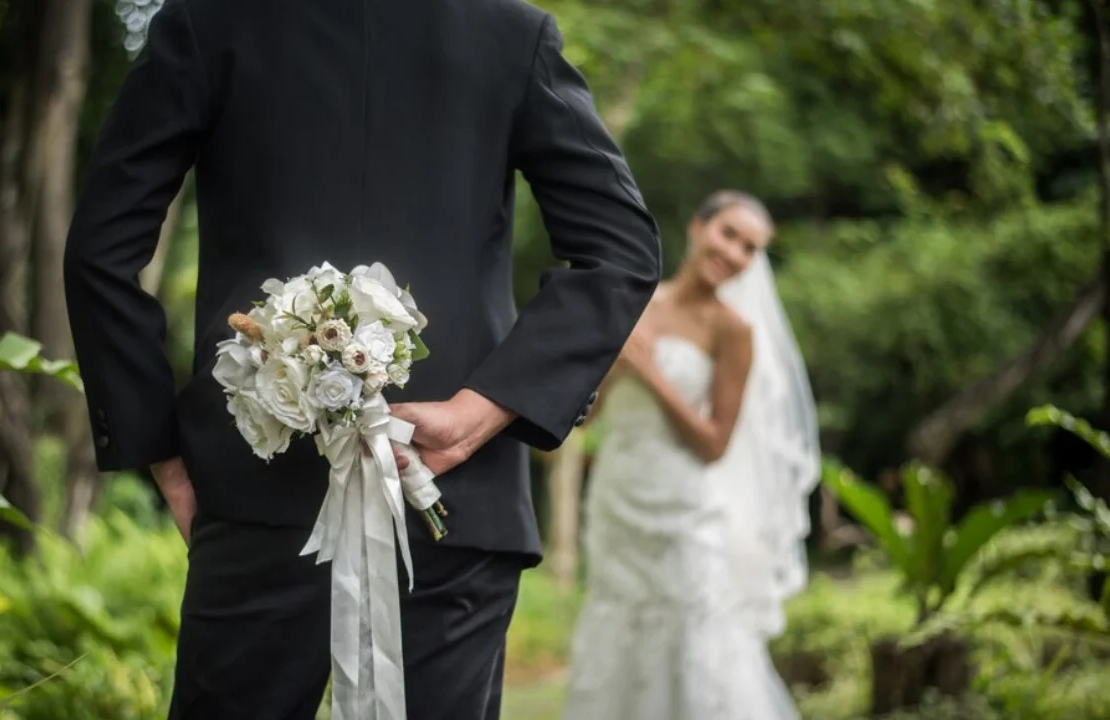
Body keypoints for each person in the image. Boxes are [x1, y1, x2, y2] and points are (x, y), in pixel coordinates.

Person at [61, 1, 661, 718]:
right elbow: (619, 251)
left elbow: (100, 251)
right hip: (453, 492)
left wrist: (159, 448)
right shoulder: (509, 30)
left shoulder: (209, 22)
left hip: (263, 487)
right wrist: (478, 415)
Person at [563, 191, 820, 719]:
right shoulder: (635, 303)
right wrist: (616, 362)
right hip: (616, 497)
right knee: (615, 626)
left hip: (684, 510)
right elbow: (583, 416)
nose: (735, 253)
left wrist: (654, 375)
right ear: (697, 227)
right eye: (729, 234)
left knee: (691, 635)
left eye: (750, 248)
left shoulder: (734, 331)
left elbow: (715, 443)